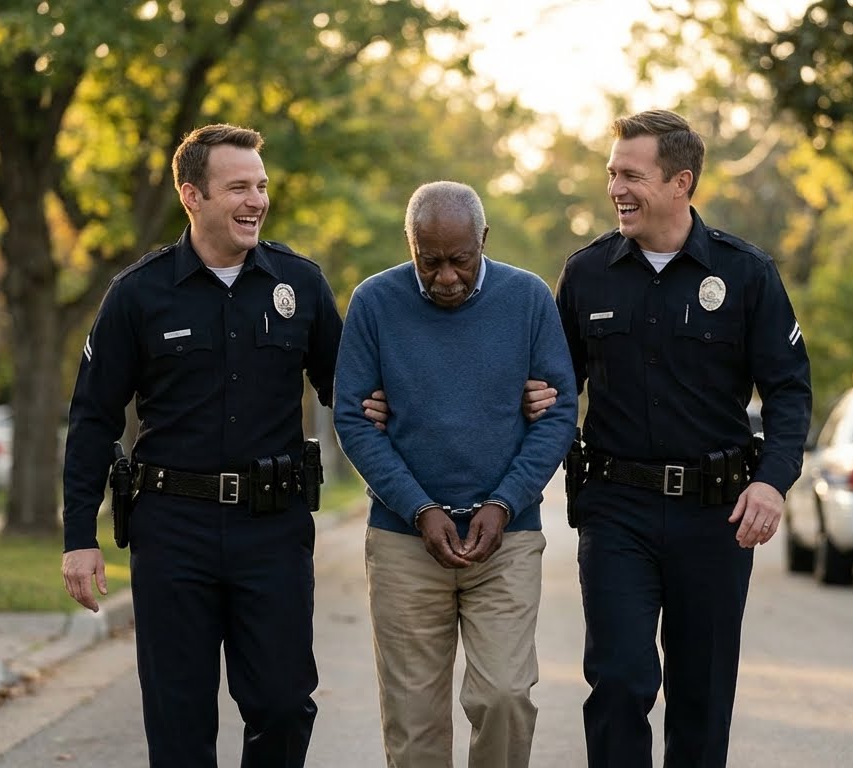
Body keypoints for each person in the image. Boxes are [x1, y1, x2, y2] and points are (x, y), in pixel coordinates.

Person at [60, 123, 342, 767]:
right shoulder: (138, 293)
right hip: (172, 530)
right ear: (192, 195)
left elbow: (351, 394)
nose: (256, 201)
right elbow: (92, 418)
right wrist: (80, 535)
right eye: (238, 187)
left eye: (262, 186)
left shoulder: (300, 285)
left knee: (282, 703)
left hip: (272, 529)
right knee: (178, 717)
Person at [556, 109, 812, 766]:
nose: (615, 187)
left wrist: (771, 480)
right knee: (617, 680)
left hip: (714, 512)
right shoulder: (586, 275)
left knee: (700, 697)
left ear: (680, 182)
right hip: (616, 510)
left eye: (631, 175)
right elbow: (553, 388)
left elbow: (788, 389)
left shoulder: (747, 274)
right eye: (612, 173)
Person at [333, 180, 578, 768]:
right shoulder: (374, 302)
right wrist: (420, 508)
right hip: (403, 542)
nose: (445, 276)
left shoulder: (527, 299)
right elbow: (353, 418)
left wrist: (505, 501)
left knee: (505, 697)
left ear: (483, 241)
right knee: (414, 723)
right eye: (429, 261)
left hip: (506, 537)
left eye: (460, 260)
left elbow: (560, 411)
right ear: (410, 246)